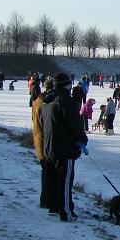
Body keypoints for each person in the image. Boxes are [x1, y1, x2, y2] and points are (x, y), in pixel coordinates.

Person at [41, 73, 88, 222]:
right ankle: (66, 212)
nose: (71, 86)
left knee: (54, 179)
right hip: (63, 149)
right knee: (65, 181)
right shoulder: (65, 100)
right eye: (69, 84)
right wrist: (82, 138)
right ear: (65, 85)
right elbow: (74, 122)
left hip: (49, 147)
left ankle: (54, 206)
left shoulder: (46, 101)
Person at [31, 77, 55, 210]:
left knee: (46, 173)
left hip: (40, 142)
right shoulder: (43, 103)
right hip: (44, 143)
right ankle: (47, 201)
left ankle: (46, 200)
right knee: (48, 174)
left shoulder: (38, 101)